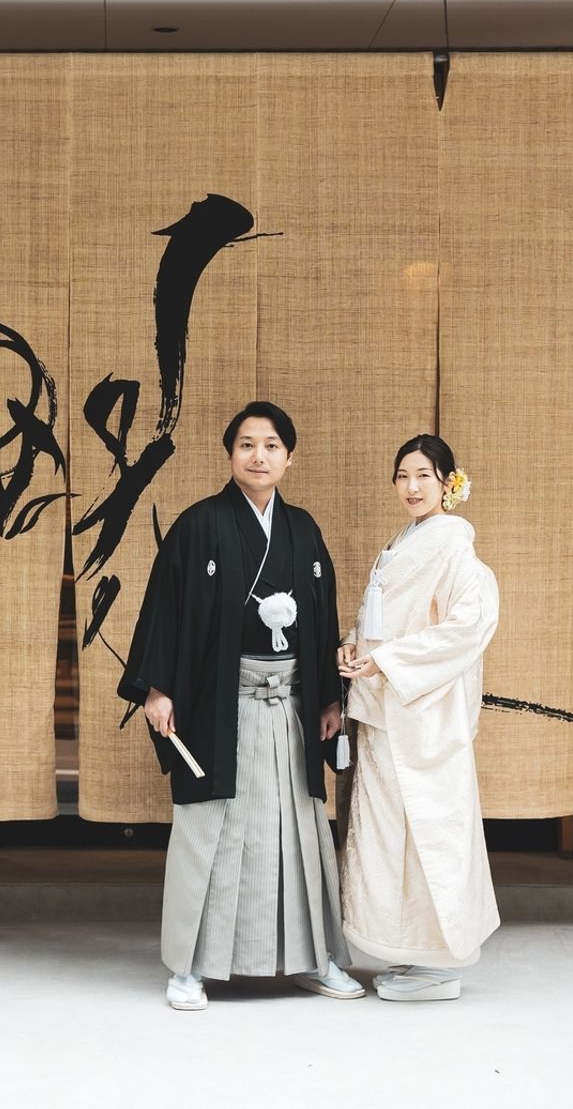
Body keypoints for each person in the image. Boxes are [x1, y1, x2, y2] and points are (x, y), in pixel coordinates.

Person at [117, 400, 361, 1011]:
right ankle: (191, 967)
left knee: (296, 832)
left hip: (292, 709)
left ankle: (314, 958)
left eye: (272, 445)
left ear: (289, 457)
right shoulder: (199, 525)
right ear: (230, 454)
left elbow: (323, 616)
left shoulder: (303, 530)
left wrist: (329, 699)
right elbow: (165, 609)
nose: (259, 455)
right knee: (213, 832)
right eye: (247, 444)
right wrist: (157, 688)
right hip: (218, 706)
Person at [337, 434, 500, 1002]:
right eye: (403, 475)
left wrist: (387, 660)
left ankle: (443, 960)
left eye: (424, 476)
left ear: (448, 483)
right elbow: (380, 618)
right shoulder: (400, 543)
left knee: (432, 831)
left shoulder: (455, 549)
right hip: (386, 710)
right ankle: (408, 950)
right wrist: (355, 644)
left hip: (423, 714)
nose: (411, 487)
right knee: (388, 836)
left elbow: (467, 629)